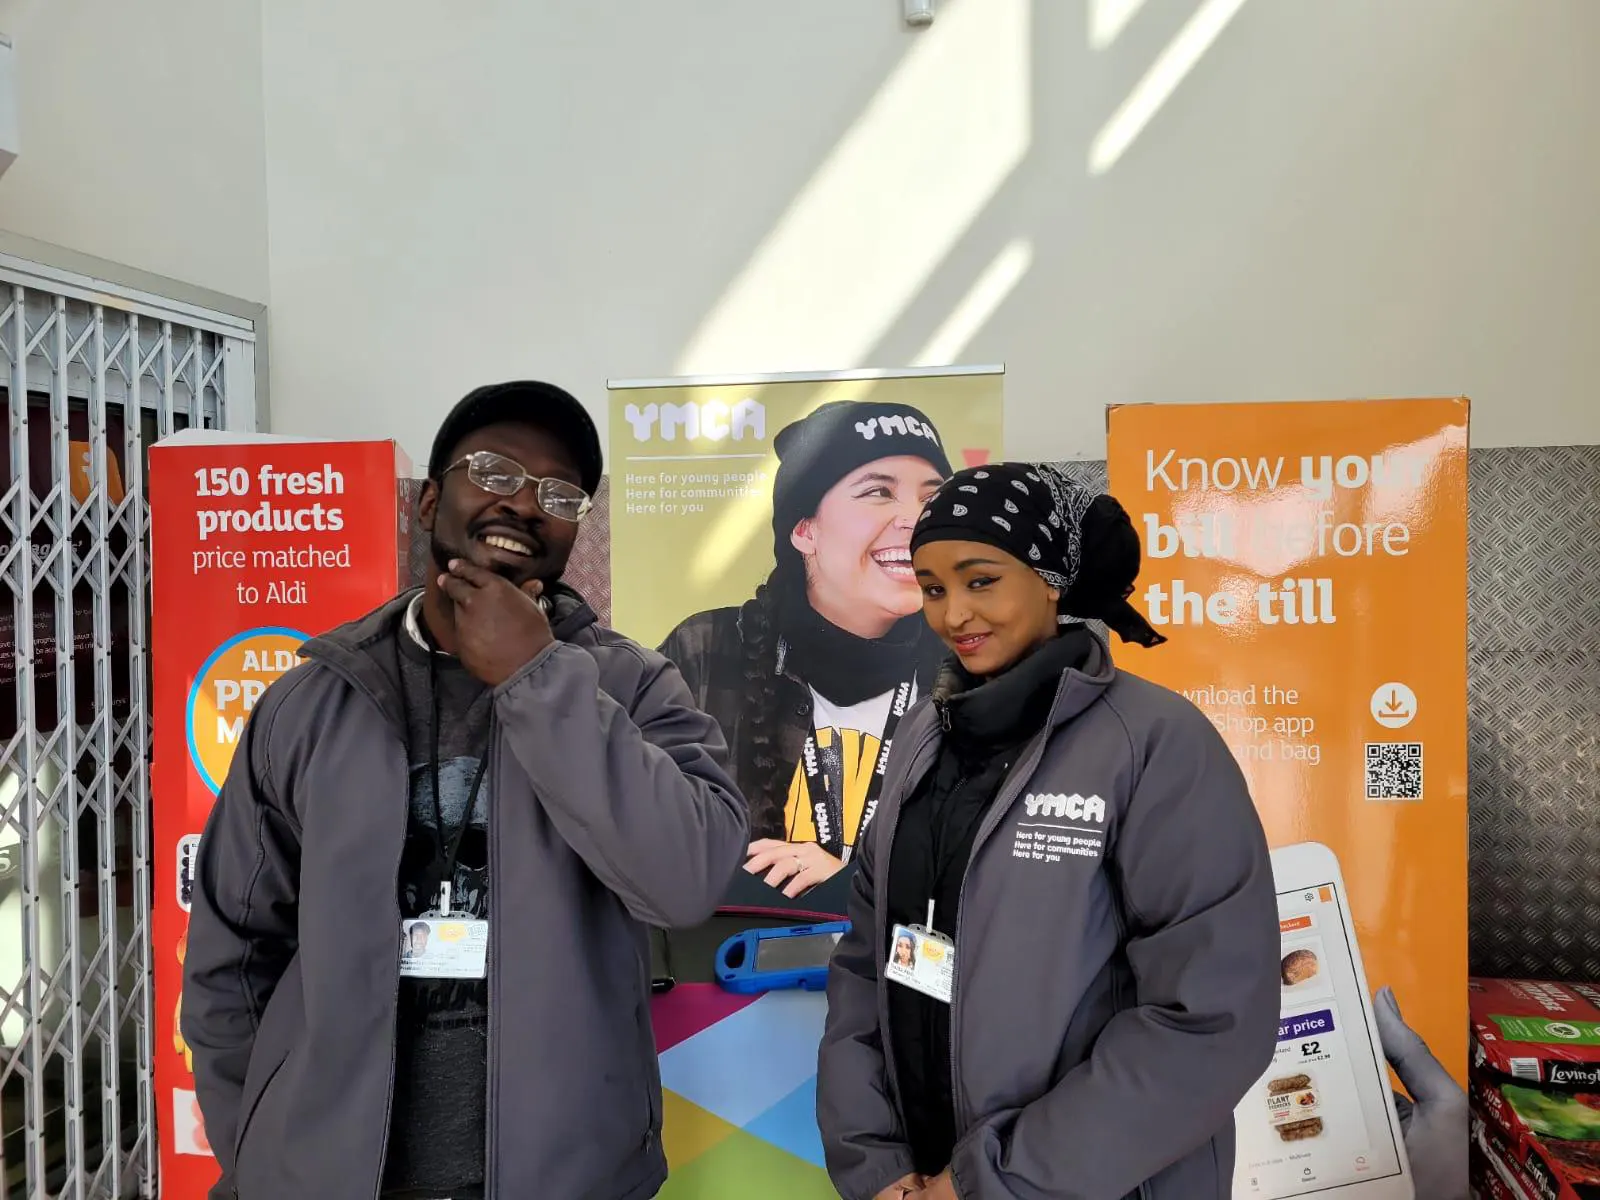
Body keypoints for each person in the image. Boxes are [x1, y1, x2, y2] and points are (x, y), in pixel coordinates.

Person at [181, 380, 749, 1200]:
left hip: (564, 1178)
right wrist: (261, 1149)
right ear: (428, 502)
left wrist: (537, 675)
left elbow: (687, 877)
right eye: (494, 471)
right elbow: (233, 952)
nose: (523, 502)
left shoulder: (632, 686)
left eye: (559, 493)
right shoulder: (315, 700)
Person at [816, 463, 1281, 1200]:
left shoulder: (1153, 743)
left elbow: (1210, 1017)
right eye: (932, 589)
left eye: (981, 580)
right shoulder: (919, 740)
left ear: (1052, 580)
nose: (953, 615)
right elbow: (868, 965)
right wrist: (876, 1163)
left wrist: (994, 1182)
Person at [660, 400, 951, 898]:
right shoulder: (705, 652)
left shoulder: (966, 673)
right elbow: (642, 838)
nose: (915, 519)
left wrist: (850, 877)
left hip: (893, 950)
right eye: (878, 492)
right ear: (804, 529)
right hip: (726, 945)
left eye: (932, 497)